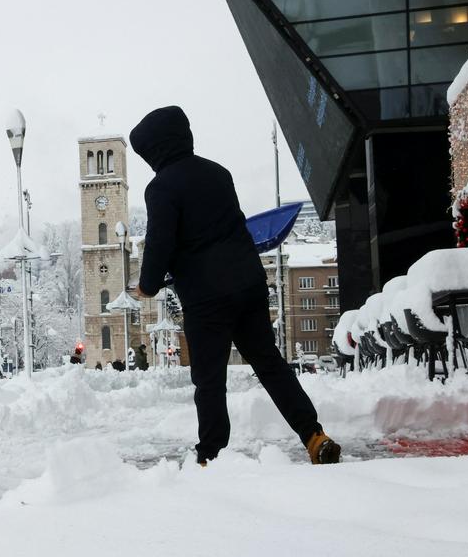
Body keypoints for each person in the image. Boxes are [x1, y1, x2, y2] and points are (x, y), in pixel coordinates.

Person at [129, 106, 341, 465]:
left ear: (156, 148)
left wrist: (147, 285)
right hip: (248, 284)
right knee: (270, 365)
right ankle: (313, 435)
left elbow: (160, 241)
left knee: (210, 379)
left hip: (206, 298)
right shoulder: (218, 173)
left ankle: (210, 457)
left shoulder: (161, 186)